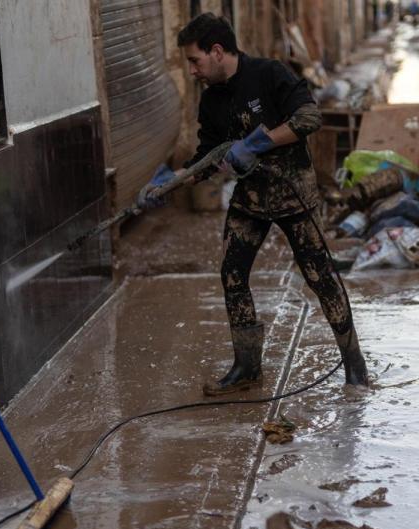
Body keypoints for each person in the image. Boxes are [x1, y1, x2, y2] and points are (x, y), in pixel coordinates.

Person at [144, 13, 369, 396]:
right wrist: (172, 181)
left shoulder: (268, 73)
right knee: (232, 275)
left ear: (217, 51)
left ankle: (354, 365)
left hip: (293, 194)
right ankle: (247, 368)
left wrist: (257, 143)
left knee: (320, 278)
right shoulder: (211, 100)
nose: (192, 71)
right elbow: (207, 157)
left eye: (195, 60)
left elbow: (309, 116)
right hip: (249, 200)